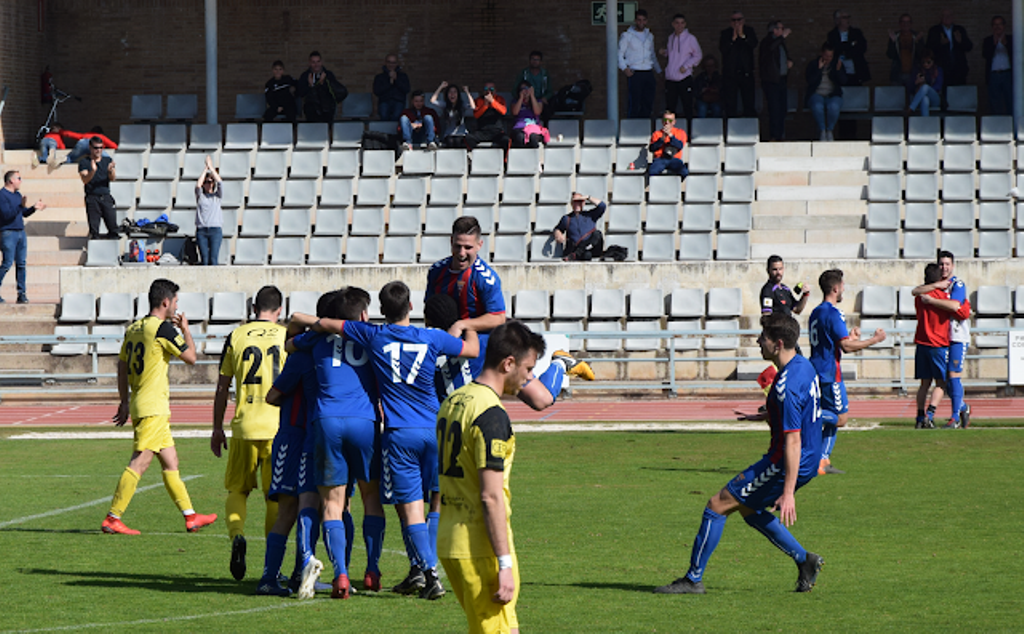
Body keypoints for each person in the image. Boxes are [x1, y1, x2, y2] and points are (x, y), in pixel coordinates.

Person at [309, 281, 481, 602]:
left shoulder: (374, 335)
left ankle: (428, 573)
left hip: (400, 433)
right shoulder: (432, 337)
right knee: (435, 501)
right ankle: (420, 570)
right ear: (411, 307)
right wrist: (466, 325)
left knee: (410, 508)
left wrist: (304, 325)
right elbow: (472, 349)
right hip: (434, 429)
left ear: (380, 310)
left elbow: (326, 324)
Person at [654, 312, 824, 594]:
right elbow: (802, 413)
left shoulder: (787, 385)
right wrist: (767, 415)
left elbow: (793, 441)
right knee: (747, 508)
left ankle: (693, 579)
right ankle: (805, 560)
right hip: (805, 457)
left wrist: (788, 492)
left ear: (778, 344)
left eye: (763, 337)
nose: (758, 341)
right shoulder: (803, 366)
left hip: (786, 461)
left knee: (717, 505)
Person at [437, 320, 544, 634]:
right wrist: (504, 562)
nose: (529, 377)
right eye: (528, 368)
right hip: (479, 545)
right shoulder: (491, 415)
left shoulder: (454, 400)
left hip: (449, 537)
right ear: (508, 363)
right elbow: (491, 495)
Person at [287, 287, 388, 599]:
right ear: (362, 314)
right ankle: (372, 569)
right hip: (364, 421)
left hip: (327, 420)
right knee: (371, 498)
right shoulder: (373, 336)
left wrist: (318, 325)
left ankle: (341, 575)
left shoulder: (316, 338)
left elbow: (289, 342)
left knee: (332, 503)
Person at [101, 278, 217, 535]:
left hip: (144, 404)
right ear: (166, 302)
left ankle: (191, 517)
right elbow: (191, 357)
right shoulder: (163, 329)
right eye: (175, 302)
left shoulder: (133, 328)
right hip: (152, 407)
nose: (176, 307)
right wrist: (185, 330)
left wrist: (124, 400)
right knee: (140, 462)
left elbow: (121, 366)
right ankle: (113, 517)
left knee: (171, 461)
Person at [211, 286, 288, 581]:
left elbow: (222, 387)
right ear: (279, 309)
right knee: (274, 497)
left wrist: (217, 427)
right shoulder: (286, 336)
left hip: (243, 425)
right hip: (277, 428)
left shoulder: (236, 335)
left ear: (254, 308)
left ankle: (237, 535)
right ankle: (272, 566)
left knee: (237, 491)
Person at [255, 300, 322, 597]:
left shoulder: (300, 356)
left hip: (293, 436)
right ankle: (283, 575)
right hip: (307, 438)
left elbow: (272, 396)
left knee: (289, 510)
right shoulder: (325, 355)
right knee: (307, 508)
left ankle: (275, 576)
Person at [808, 269, 886, 476]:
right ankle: (806, 415)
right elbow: (846, 347)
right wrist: (874, 340)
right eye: (842, 286)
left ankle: (822, 461)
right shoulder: (833, 313)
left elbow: (832, 342)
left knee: (832, 416)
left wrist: (850, 337)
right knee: (840, 418)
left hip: (816, 370)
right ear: (835, 288)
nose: (844, 289)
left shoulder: (816, 312)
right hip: (829, 373)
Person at [912, 251, 972, 429]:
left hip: (956, 337)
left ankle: (952, 416)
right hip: (940, 340)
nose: (944, 267)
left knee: (951, 377)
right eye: (941, 264)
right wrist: (935, 288)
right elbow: (915, 291)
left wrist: (931, 300)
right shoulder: (936, 288)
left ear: (953, 266)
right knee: (944, 381)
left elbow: (956, 306)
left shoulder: (956, 284)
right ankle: (961, 408)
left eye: (947, 264)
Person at [0, 171, 46, 304]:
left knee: (21, 264)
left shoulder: (17, 195)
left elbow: (23, 213)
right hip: (8, 232)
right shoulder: (2, 195)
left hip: (20, 232)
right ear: (11, 180)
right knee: (7, 263)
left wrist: (33, 208)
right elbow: (6, 215)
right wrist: (21, 205)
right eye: (19, 178)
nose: (21, 181)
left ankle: (22, 294)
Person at [618, 9, 661, 119]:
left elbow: (652, 54)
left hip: (648, 71)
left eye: (643, 20)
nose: (641, 22)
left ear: (647, 21)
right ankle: (632, 127)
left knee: (648, 102)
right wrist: (624, 68)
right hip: (635, 72)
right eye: (639, 20)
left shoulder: (649, 35)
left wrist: (658, 70)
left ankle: (645, 126)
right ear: (635, 20)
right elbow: (619, 53)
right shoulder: (627, 35)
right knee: (634, 103)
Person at [660, 14, 702, 121]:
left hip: (684, 78)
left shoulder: (690, 38)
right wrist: (665, 52)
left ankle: (689, 129)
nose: (680, 26)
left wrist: (686, 66)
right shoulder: (671, 38)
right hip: (671, 78)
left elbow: (698, 55)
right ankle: (670, 130)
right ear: (673, 24)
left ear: (685, 24)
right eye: (677, 23)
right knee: (670, 109)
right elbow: (674, 54)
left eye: (682, 23)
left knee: (687, 107)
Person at [719, 10, 758, 118]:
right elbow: (723, 49)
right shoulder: (725, 33)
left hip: (746, 72)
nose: (736, 23)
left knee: (749, 101)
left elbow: (753, 44)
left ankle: (748, 124)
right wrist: (733, 39)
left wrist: (742, 36)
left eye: (739, 20)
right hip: (730, 73)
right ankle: (731, 124)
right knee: (730, 103)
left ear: (743, 20)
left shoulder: (749, 31)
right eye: (734, 20)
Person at [78, 136, 118, 240]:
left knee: (113, 228)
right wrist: (93, 171)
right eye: (96, 148)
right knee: (94, 231)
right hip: (92, 197)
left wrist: (110, 170)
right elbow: (85, 180)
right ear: (90, 148)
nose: (99, 150)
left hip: (105, 196)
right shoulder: (84, 162)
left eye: (101, 147)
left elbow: (113, 178)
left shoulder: (107, 160)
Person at [759, 21, 793, 142]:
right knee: (774, 108)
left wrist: (788, 62)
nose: (783, 30)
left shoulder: (781, 43)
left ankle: (781, 134)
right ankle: (774, 135)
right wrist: (782, 37)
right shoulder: (767, 42)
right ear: (774, 30)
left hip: (782, 79)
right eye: (781, 28)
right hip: (771, 80)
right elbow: (770, 49)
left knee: (782, 108)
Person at [806, 43, 846, 142]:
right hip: (817, 93)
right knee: (817, 106)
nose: (828, 58)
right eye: (826, 56)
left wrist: (838, 71)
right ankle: (822, 130)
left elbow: (844, 81)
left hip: (832, 94)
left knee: (833, 107)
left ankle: (829, 130)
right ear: (821, 54)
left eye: (830, 56)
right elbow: (810, 81)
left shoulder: (836, 64)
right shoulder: (813, 64)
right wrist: (819, 69)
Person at [296, 51, 348, 123]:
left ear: (321, 62)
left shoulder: (328, 74)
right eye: (313, 62)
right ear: (310, 63)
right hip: (312, 110)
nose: (316, 65)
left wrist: (323, 83)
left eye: (318, 61)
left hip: (327, 109)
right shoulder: (305, 76)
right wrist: (310, 85)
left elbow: (334, 91)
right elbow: (300, 93)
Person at [927, 9, 972, 89]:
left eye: (949, 16)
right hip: (942, 69)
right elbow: (929, 48)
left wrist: (960, 41)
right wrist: (940, 43)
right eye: (944, 16)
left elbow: (969, 47)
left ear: (953, 17)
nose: (947, 18)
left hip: (959, 69)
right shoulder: (934, 30)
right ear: (940, 17)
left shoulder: (959, 30)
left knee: (958, 92)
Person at [554, 193, 605, 262]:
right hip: (580, 250)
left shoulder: (590, 215)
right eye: (575, 202)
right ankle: (578, 253)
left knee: (597, 234)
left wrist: (588, 197)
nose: (577, 204)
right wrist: (558, 233)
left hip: (591, 247)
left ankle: (576, 254)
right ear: (571, 203)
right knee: (587, 255)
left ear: (583, 203)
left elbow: (602, 206)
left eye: (579, 201)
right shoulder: (567, 218)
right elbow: (558, 229)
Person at [37, 123, 117, 168]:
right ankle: (110, 163)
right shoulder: (101, 137)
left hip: (82, 142)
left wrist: (61, 131)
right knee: (107, 158)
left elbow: (72, 134)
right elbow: (114, 146)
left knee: (71, 158)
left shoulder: (85, 135)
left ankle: (65, 159)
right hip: (94, 146)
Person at [827, 10, 870, 86]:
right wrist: (851, 45)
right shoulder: (832, 35)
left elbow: (862, 48)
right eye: (844, 17)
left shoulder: (856, 33)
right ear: (838, 20)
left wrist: (846, 49)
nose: (848, 20)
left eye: (848, 17)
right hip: (840, 71)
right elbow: (836, 49)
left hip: (856, 70)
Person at [194, 155, 223, 266]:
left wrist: (211, 167)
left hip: (215, 230)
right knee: (204, 260)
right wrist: (205, 169)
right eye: (206, 182)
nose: (208, 184)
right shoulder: (201, 196)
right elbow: (198, 185)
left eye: (210, 182)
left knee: (213, 259)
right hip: (202, 230)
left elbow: (220, 182)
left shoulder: (217, 196)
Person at [982, 16, 1013, 116]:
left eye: (1000, 24)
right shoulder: (988, 40)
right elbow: (985, 55)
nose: (997, 27)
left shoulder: (1011, 39)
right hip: (994, 75)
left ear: (1004, 26)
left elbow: (1016, 54)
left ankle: (1011, 122)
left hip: (1008, 74)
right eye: (995, 24)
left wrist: (1006, 44)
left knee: (1010, 100)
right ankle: (997, 123)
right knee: (995, 103)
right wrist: (994, 45)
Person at [430, 81, 475, 148]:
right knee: (450, 141)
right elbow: (432, 101)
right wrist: (441, 87)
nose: (452, 94)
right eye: (450, 92)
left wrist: (467, 92)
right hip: (449, 134)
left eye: (454, 92)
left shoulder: (462, 105)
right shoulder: (445, 105)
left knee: (458, 141)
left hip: (461, 134)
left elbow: (473, 107)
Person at [513, 51, 553, 122]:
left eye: (537, 60)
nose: (535, 61)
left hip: (540, 99)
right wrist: (521, 97)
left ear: (541, 62)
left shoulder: (545, 74)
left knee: (547, 111)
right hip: (526, 100)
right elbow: (515, 89)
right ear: (529, 61)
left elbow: (550, 91)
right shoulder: (524, 73)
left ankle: (544, 128)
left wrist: (545, 98)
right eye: (533, 59)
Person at [465, 83, 508, 150]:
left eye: (491, 89)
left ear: (495, 90)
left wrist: (492, 101)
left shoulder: (499, 99)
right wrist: (485, 105)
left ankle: (504, 157)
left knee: (506, 140)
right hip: (482, 131)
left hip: (497, 131)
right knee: (469, 138)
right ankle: (476, 154)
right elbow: (476, 115)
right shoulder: (479, 100)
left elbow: (503, 111)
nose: (488, 91)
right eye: (486, 89)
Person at [887, 14, 925, 88]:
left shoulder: (916, 36)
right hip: (898, 74)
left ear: (911, 24)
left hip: (913, 73)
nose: (905, 24)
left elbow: (922, 55)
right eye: (903, 22)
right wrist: (893, 42)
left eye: (908, 22)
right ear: (899, 23)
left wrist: (917, 42)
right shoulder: (896, 36)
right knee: (897, 93)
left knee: (913, 94)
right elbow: (890, 55)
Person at [647, 111, 688, 177]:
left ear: (674, 122)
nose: (667, 122)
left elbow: (680, 146)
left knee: (684, 172)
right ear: (662, 121)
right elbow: (652, 148)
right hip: (660, 159)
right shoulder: (657, 133)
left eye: (670, 120)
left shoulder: (680, 132)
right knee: (652, 171)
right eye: (665, 120)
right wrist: (662, 139)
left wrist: (670, 135)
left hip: (674, 159)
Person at [373, 54, 411, 122]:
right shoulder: (379, 77)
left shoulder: (403, 76)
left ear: (397, 63)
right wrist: (389, 83)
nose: (391, 65)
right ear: (385, 63)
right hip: (384, 101)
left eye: (393, 62)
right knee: (384, 115)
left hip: (399, 101)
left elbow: (406, 89)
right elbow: (376, 91)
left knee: (397, 115)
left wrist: (396, 80)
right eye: (389, 62)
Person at [510, 82, 548, 148]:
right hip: (519, 128)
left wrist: (532, 96)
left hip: (534, 128)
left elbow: (537, 112)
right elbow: (515, 112)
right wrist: (521, 98)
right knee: (520, 138)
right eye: (522, 89)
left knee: (533, 138)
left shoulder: (538, 101)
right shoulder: (515, 101)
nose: (525, 91)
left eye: (527, 88)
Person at [907, 51, 943, 117]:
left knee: (925, 87)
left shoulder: (938, 70)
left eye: (928, 62)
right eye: (923, 62)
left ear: (933, 61)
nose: (926, 64)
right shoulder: (918, 70)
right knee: (924, 99)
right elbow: (910, 89)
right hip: (919, 99)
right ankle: (925, 121)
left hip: (934, 97)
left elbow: (938, 86)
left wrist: (926, 90)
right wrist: (916, 82)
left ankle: (911, 108)